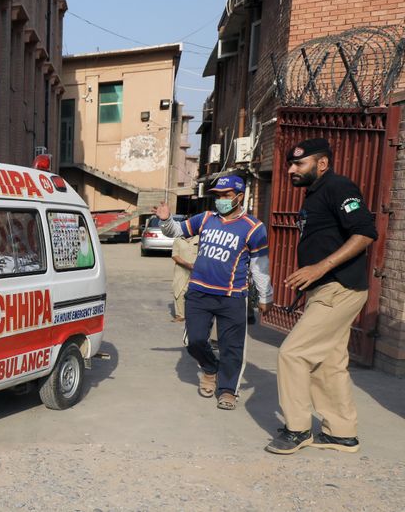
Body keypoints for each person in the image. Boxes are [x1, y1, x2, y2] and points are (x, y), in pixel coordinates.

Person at [265, 138, 377, 455]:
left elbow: (365, 233)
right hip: (326, 289)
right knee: (329, 362)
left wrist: (319, 268)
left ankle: (297, 429)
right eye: (290, 164)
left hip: (338, 286)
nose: (291, 170)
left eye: (299, 164)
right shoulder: (316, 194)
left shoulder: (339, 187)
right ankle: (341, 433)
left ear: (322, 163)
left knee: (293, 353)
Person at [153, 175, 273, 410]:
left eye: (226, 195)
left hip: (232, 297)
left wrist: (265, 296)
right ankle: (210, 368)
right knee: (194, 340)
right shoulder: (206, 218)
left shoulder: (254, 228)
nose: (221, 200)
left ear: (239, 196)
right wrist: (166, 220)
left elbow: (260, 266)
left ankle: (228, 390)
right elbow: (176, 231)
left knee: (232, 347)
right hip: (198, 292)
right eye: (218, 195)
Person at [171, 235, 199, 322]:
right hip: (181, 269)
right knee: (178, 291)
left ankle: (196, 314)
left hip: (197, 269)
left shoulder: (199, 238)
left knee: (195, 292)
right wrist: (187, 265)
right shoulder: (178, 240)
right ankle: (180, 315)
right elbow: (174, 256)